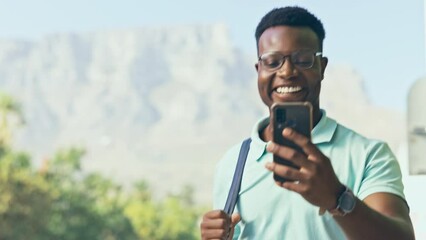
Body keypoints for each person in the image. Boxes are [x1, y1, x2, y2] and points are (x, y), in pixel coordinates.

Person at [200, 6, 415, 240]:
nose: (288, 71)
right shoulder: (231, 164)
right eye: (272, 61)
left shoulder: (369, 155)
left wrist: (337, 198)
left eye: (303, 60)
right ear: (258, 70)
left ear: (321, 68)